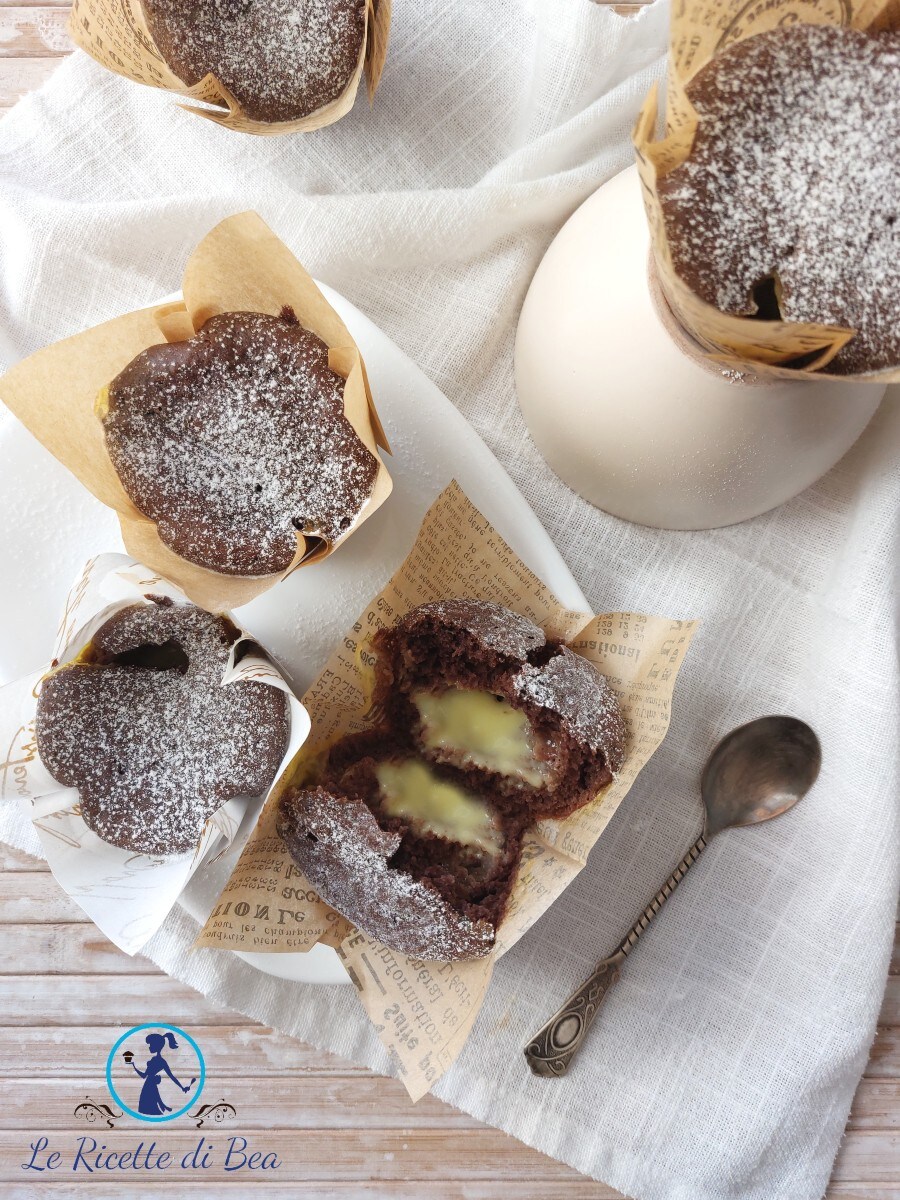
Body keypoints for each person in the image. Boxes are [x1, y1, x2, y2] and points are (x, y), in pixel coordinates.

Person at [128, 1031, 193, 1116]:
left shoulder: (161, 1062)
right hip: (148, 1085)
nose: (149, 1047)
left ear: (156, 1046)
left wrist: (182, 1087)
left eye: (151, 1045)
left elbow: (171, 1076)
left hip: (150, 1085)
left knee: (150, 1109)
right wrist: (134, 1066)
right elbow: (144, 1076)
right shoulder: (153, 1060)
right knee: (148, 1108)